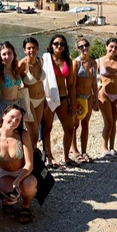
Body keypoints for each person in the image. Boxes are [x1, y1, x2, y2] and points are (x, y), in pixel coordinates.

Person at [0, 105, 37, 224]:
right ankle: (7, 202)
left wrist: (17, 180)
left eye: (18, 119)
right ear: (3, 115)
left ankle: (26, 205)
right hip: (4, 173)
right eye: (12, 117)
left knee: (30, 184)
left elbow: (29, 165)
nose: (14, 121)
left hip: (23, 172)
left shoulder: (23, 135)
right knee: (5, 191)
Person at [42, 34, 76, 167]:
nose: (59, 46)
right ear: (51, 45)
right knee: (47, 129)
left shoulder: (68, 61)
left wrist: (72, 103)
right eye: (56, 43)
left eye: (62, 44)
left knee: (69, 129)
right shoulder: (45, 60)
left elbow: (71, 84)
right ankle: (49, 158)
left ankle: (66, 157)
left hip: (63, 98)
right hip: (49, 98)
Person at [97, 38, 117, 160]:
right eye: (111, 46)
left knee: (113, 122)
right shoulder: (99, 61)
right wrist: (95, 94)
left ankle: (112, 147)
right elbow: (93, 78)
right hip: (104, 94)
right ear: (106, 47)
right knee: (108, 122)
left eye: (116, 47)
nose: (113, 49)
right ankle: (104, 148)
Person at [72, 38, 99, 162]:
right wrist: (73, 102)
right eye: (81, 46)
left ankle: (84, 151)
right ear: (78, 48)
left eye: (86, 45)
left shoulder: (93, 63)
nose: (84, 48)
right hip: (78, 97)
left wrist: (96, 100)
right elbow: (72, 84)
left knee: (85, 125)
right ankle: (75, 151)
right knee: (74, 126)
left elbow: (94, 83)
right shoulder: (76, 63)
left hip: (89, 97)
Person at [18, 37, 46, 149]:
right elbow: (13, 79)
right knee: (34, 133)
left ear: (37, 49)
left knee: (35, 131)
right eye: (29, 48)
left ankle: (32, 154)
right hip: (29, 101)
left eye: (34, 48)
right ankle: (30, 155)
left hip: (41, 100)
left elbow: (41, 83)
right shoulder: (22, 65)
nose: (31, 50)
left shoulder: (40, 61)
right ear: (24, 50)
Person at [0, 41, 23, 126]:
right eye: (4, 54)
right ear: (0, 56)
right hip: (4, 106)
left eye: (9, 53)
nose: (7, 56)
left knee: (16, 132)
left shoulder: (16, 69)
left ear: (13, 54)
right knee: (2, 131)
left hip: (17, 104)